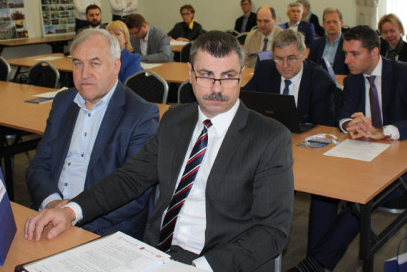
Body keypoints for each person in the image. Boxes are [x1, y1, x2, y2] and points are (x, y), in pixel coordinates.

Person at [24, 31, 294, 271]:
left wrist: (200, 268)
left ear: (241, 76)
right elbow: (130, 178)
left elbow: (271, 232)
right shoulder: (175, 120)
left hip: (219, 260)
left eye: (227, 77)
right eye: (206, 75)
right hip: (156, 253)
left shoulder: (269, 138)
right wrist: (71, 211)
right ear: (190, 74)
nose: (216, 88)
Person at [293, 25, 407, 272]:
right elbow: (342, 115)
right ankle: (316, 263)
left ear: (375, 52)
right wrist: (351, 124)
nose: (346, 60)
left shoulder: (405, 73)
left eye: (354, 54)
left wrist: (384, 131)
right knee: (323, 190)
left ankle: (316, 264)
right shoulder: (354, 80)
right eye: (345, 53)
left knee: (359, 203)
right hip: (362, 158)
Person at [26, 28, 159, 238]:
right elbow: (40, 165)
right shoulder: (63, 102)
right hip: (50, 217)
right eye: (78, 63)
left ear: (116, 66)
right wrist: (52, 204)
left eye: (94, 63)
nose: (84, 73)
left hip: (99, 229)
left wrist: (74, 215)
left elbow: (134, 193)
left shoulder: (141, 115)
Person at [243, 29, 335, 126]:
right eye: (279, 58)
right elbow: (245, 99)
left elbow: (323, 127)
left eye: (291, 58)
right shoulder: (265, 70)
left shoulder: (321, 81)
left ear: (303, 54)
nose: (285, 65)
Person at [309, 7, 348, 74]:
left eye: (335, 22)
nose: (331, 25)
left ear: (341, 23)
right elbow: (310, 66)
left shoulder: (347, 43)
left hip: (339, 80)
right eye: (328, 22)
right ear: (324, 24)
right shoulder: (317, 44)